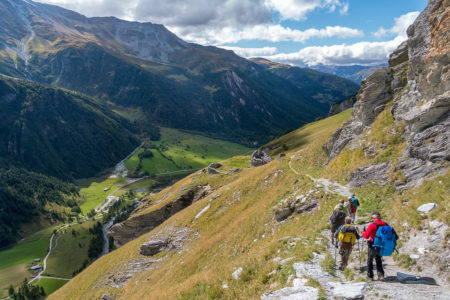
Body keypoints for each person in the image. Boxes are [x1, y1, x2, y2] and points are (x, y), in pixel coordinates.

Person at [362, 211, 395, 281]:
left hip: (373, 244)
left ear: (373, 218)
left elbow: (366, 236)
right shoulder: (385, 224)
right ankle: (381, 275)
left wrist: (363, 233)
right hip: (382, 245)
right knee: (378, 259)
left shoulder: (372, 225)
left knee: (370, 260)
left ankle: (370, 276)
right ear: (380, 217)